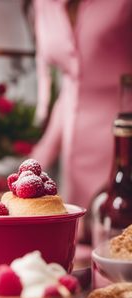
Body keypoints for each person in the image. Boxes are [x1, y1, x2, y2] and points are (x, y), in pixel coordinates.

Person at [30, 0, 132, 210]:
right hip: (73, 147)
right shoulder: (43, 3)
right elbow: (70, 87)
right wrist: (37, 158)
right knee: (80, 230)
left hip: (122, 140)